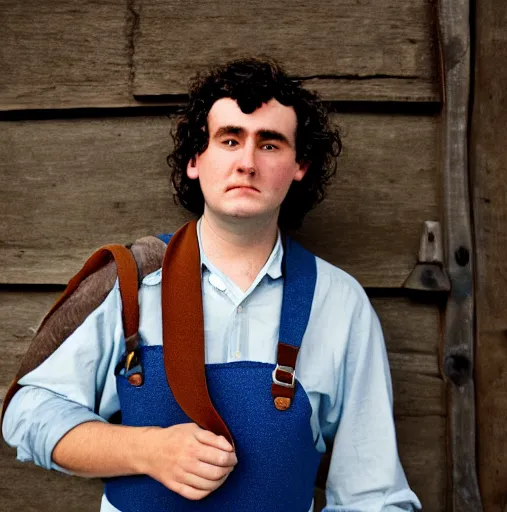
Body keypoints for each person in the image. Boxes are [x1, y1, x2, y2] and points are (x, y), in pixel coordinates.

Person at [2, 57, 421, 511]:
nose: (246, 163)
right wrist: (147, 450)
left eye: (270, 144)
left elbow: (374, 497)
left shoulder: (339, 303)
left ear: (299, 165)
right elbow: (28, 412)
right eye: (229, 139)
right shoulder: (129, 282)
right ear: (195, 160)